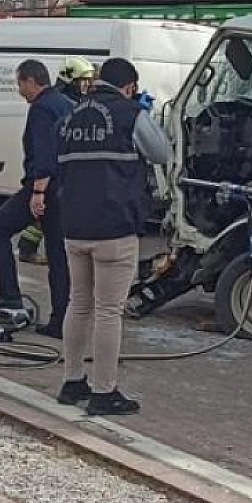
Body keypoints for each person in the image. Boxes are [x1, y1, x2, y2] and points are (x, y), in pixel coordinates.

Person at [56, 57, 170, 416]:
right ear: (130, 86)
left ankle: (72, 381)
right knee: (108, 311)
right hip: (114, 226)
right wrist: (141, 113)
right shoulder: (130, 113)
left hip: (74, 225)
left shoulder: (70, 115)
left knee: (79, 303)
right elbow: (162, 152)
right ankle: (104, 391)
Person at [0, 60, 74, 338]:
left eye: (21, 84)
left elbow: (45, 152)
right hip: (67, 189)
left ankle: (10, 296)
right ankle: (63, 319)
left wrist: (38, 192)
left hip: (46, 188)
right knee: (59, 256)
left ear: (32, 81)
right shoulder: (66, 103)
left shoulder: (42, 108)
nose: (20, 90)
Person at [17, 58, 95, 265]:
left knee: (49, 233)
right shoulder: (64, 103)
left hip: (52, 182)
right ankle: (28, 247)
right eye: (82, 82)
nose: (86, 87)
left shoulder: (54, 104)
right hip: (57, 181)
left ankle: (28, 250)